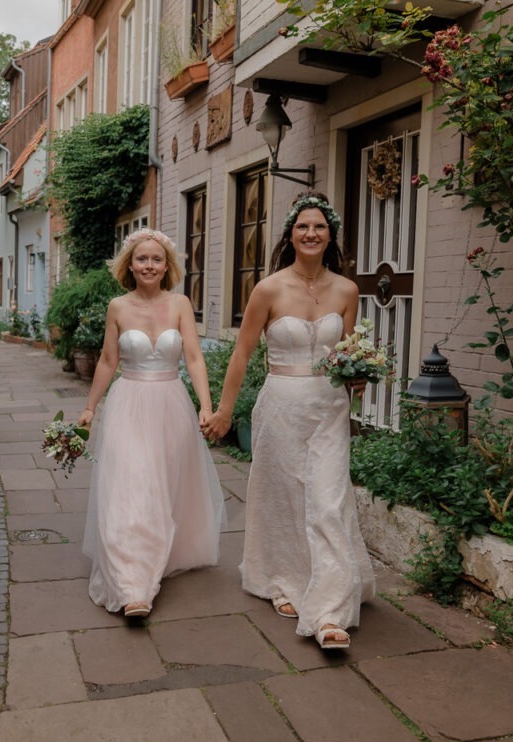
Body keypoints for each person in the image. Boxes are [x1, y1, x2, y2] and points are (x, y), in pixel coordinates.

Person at [202, 191, 376, 650]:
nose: (311, 233)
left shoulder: (347, 290)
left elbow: (347, 355)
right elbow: (241, 353)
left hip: (330, 407)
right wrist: (224, 411)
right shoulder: (269, 289)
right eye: (303, 226)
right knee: (284, 497)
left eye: (319, 226)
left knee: (329, 500)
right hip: (281, 405)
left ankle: (330, 611)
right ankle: (282, 579)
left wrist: (358, 376)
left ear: (330, 234)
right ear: (291, 235)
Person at [78, 227, 226, 618]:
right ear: (130, 264)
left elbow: (193, 358)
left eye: (156, 259)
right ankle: (133, 587)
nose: (149, 265)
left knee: (161, 486)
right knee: (132, 484)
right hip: (128, 402)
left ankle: (152, 556)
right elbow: (108, 361)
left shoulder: (180, 304)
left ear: (167, 266)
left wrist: (205, 405)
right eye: (141, 259)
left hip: (170, 404)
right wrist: (91, 408)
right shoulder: (117, 307)